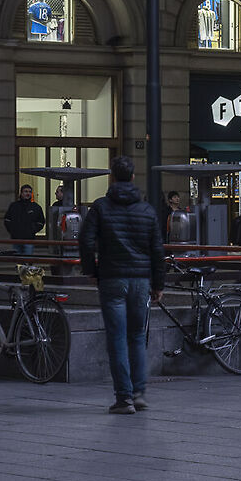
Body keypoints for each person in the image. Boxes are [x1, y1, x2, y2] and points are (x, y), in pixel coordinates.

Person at [79, 155, 168, 413]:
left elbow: (85, 241)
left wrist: (91, 270)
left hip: (112, 278)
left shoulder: (101, 207)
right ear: (132, 176)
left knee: (117, 338)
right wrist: (158, 284)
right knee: (137, 336)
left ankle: (124, 398)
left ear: (112, 177)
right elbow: (157, 251)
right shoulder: (147, 210)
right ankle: (139, 392)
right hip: (140, 281)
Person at [3, 184, 45, 252]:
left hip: (29, 239)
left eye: (29, 192)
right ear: (21, 193)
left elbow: (41, 221)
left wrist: (32, 230)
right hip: (16, 239)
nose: (28, 193)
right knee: (18, 260)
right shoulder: (14, 206)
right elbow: (7, 220)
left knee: (28, 260)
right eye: (25, 191)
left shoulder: (36, 207)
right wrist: (13, 230)